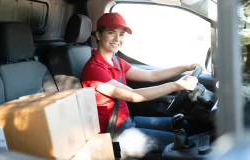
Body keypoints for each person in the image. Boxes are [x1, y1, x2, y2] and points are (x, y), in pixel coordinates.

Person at [81, 12, 201, 158]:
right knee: (182, 146)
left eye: (122, 34)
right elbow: (133, 96)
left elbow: (151, 75)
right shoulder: (93, 70)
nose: (117, 39)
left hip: (128, 122)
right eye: (111, 33)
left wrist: (185, 66)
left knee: (186, 126)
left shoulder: (116, 61)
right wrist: (176, 86)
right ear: (98, 36)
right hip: (115, 134)